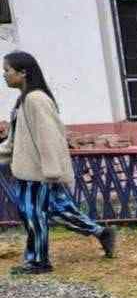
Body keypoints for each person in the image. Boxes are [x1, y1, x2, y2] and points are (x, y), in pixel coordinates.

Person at [0, 51, 115, 275]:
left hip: (38, 174)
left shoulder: (36, 100)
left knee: (33, 215)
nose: (4, 75)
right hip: (33, 171)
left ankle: (38, 262)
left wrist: (52, 172)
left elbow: (50, 137)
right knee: (58, 209)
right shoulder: (23, 100)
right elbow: (13, 143)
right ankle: (101, 232)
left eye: (7, 70)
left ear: (23, 73)